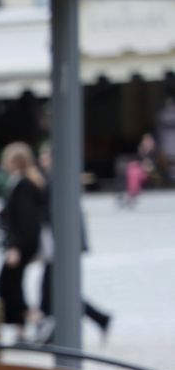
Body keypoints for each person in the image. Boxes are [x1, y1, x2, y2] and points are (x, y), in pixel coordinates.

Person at [36, 143, 112, 339]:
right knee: (55, 288)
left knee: (57, 288)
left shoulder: (57, 179)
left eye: (45, 156)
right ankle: (99, 319)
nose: (42, 160)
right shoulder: (57, 178)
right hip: (61, 243)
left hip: (61, 244)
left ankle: (96, 319)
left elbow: (56, 214)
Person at [0, 141, 47, 331]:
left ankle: (33, 318)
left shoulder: (23, 185)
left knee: (7, 283)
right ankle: (22, 325)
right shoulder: (21, 182)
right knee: (13, 284)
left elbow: (25, 219)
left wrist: (15, 247)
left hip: (21, 243)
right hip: (23, 242)